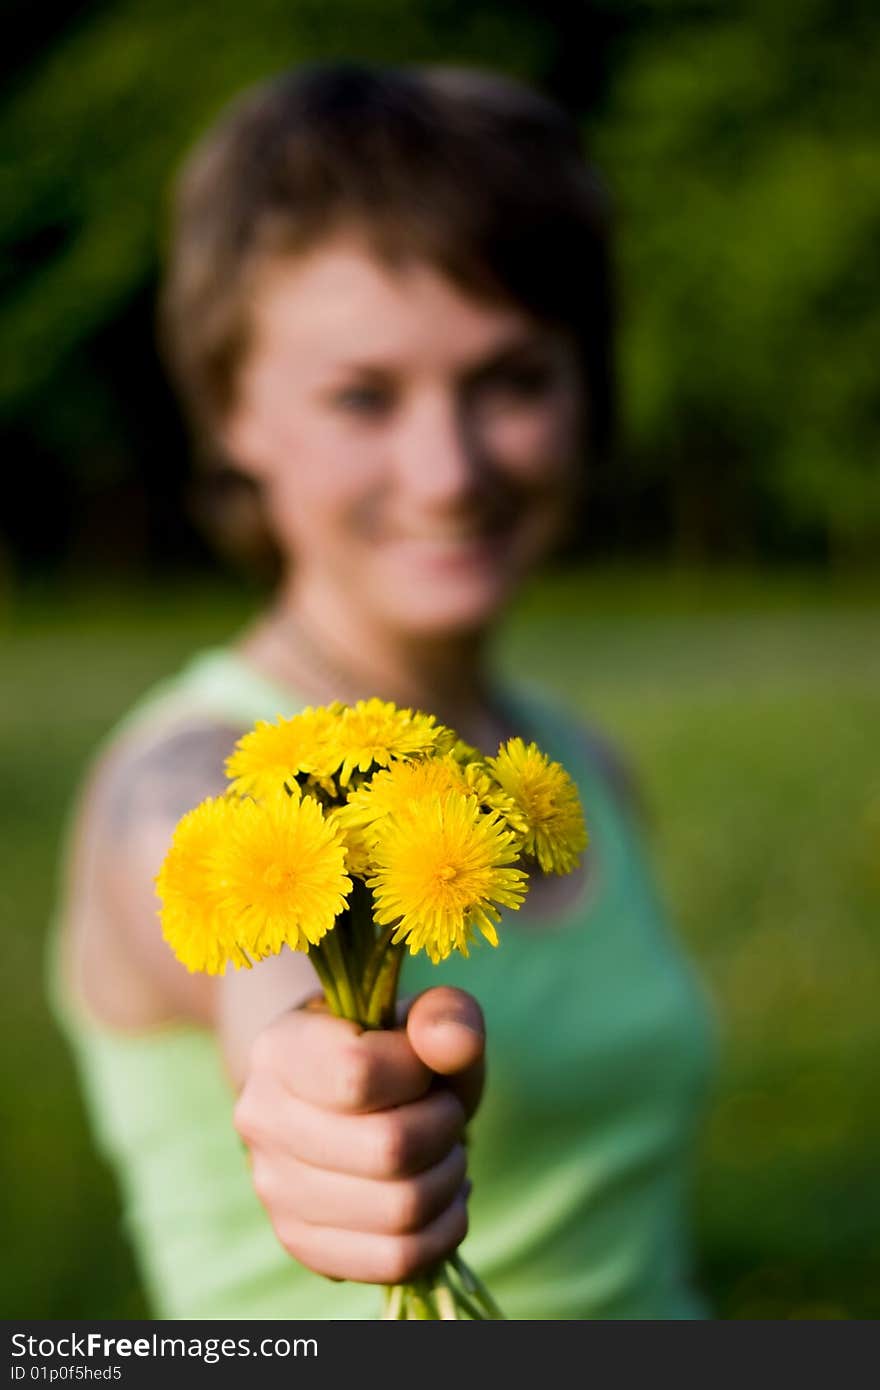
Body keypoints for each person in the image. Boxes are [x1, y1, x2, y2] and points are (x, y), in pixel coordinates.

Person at [48, 62, 718, 1320]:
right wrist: (322, 1102)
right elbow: (266, 986)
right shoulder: (179, 783)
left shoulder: (577, 770)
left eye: (510, 380)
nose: (446, 468)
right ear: (231, 409)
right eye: (364, 393)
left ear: (585, 388)